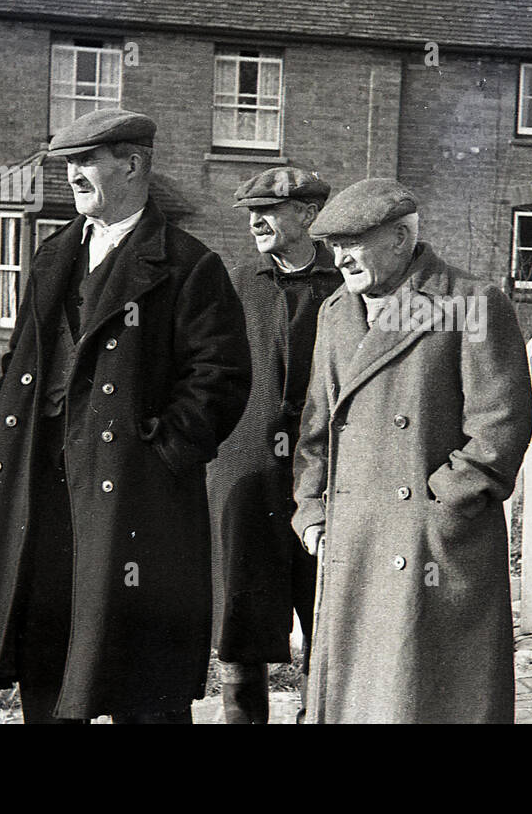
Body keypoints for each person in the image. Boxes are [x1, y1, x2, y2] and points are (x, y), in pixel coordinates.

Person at [0, 109, 252, 724]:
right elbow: (22, 357)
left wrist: (158, 452)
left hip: (135, 502)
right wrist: (0, 423)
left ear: (134, 165)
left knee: (142, 682)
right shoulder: (52, 256)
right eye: (68, 163)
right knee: (49, 662)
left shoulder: (189, 264)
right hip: (45, 492)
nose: (73, 176)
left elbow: (220, 381)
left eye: (86, 161)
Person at [291, 178, 532, 723]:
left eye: (354, 242)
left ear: (401, 238)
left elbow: (500, 427)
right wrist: (311, 513)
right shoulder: (336, 311)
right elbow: (315, 425)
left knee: (425, 700)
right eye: (334, 245)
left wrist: (437, 508)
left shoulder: (467, 302)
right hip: (353, 541)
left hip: (430, 545)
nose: (341, 257)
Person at [206, 166, 341, 724]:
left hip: (330, 470)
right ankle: (242, 716)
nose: (258, 223)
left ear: (308, 216)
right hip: (246, 467)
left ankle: (322, 711)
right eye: (252, 214)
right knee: (242, 604)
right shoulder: (233, 283)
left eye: (271, 212)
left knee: (327, 605)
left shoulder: (343, 283)